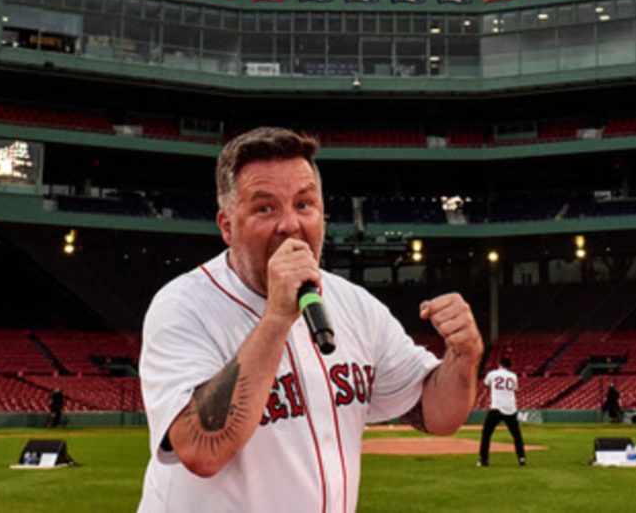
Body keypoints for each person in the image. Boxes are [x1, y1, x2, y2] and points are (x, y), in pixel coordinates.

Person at [139, 127, 483, 512]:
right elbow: (202, 449)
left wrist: (462, 358)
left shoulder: (354, 305)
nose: (290, 224)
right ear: (227, 226)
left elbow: (436, 412)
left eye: (304, 205)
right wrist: (277, 318)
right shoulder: (182, 307)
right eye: (265, 208)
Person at [477, 358, 526, 467]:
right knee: (517, 435)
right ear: (509, 366)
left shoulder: (492, 374)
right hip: (510, 408)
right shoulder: (513, 376)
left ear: (499, 364)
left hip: (497, 408)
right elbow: (515, 388)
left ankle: (484, 460)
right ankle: (521, 458)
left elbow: (486, 384)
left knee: (486, 434)